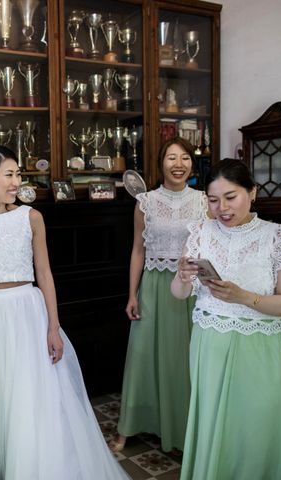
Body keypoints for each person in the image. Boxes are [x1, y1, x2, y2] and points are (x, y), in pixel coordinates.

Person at [0, 142, 129, 480]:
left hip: (27, 312)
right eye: (8, 175)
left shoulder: (31, 216)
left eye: (18, 174)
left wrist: (53, 327)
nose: (16, 182)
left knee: (31, 397)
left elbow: (44, 274)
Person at [172, 159, 281, 480]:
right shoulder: (200, 231)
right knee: (214, 424)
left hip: (259, 347)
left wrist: (243, 296)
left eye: (231, 197)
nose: (222, 208)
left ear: (252, 192)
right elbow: (178, 293)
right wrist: (182, 275)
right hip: (209, 343)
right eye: (213, 200)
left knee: (254, 427)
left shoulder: (280, 237)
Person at [110, 137, 208, 453]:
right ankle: (132, 425)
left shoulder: (206, 201)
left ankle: (185, 429)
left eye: (184, 158)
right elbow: (138, 250)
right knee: (143, 356)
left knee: (185, 359)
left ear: (192, 163)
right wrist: (132, 294)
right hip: (152, 287)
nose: (178, 164)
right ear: (160, 163)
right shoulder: (146, 202)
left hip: (191, 289)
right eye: (171, 158)